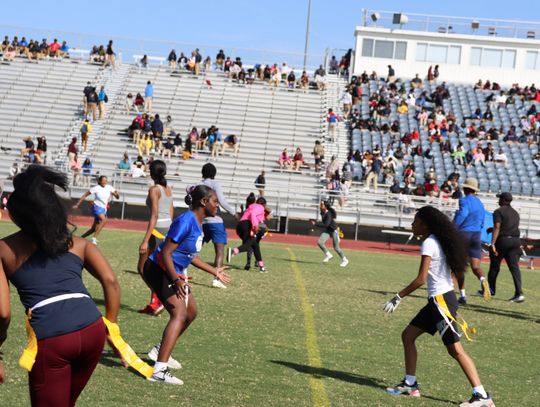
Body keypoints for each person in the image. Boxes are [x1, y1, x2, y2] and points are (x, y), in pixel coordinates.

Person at [0, 165, 121, 406]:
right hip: (92, 330)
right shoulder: (79, 244)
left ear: (16, 214)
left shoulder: (4, 249)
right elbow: (111, 281)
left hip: (52, 336)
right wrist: (111, 327)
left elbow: (3, 312)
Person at [384, 206, 495, 407]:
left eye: (415, 221)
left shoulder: (429, 243)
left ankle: (482, 396)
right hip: (438, 301)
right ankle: (410, 384)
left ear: (425, 224)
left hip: (441, 302)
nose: (412, 225)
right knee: (408, 336)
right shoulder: (440, 240)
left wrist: (397, 297)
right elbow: (454, 271)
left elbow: (420, 279)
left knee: (455, 350)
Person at [143, 185, 230, 384]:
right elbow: (165, 253)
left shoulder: (197, 223)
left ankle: (160, 350)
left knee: (190, 313)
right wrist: (176, 279)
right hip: (158, 269)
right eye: (215, 202)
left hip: (173, 271)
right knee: (179, 314)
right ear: (203, 202)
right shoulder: (186, 221)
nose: (218, 206)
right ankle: (159, 370)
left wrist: (213, 271)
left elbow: (189, 255)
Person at [138, 161, 174, 316]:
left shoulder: (154, 189)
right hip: (168, 229)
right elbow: (171, 211)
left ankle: (159, 298)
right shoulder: (168, 189)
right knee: (157, 267)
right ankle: (155, 302)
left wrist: (146, 240)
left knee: (142, 267)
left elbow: (154, 215)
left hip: (157, 229)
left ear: (152, 173)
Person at [198, 163, 237, 289]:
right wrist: (234, 213)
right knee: (219, 250)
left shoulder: (199, 185)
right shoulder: (215, 184)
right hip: (215, 221)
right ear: (214, 174)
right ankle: (216, 279)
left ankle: (178, 270)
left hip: (202, 220)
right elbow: (222, 200)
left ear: (202, 173)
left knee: (194, 248)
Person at [453, 178, 490, 304]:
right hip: (476, 235)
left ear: (465, 188)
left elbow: (463, 214)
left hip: (464, 234)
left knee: (459, 266)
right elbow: (482, 220)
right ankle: (483, 279)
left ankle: (462, 296)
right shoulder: (480, 203)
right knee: (476, 266)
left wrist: (453, 227)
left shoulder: (463, 200)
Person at [487, 193, 524, 302]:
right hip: (515, 241)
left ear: (503, 200)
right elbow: (507, 227)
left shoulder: (498, 211)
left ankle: (491, 290)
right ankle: (519, 293)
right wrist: (492, 230)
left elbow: (497, 227)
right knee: (514, 268)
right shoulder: (515, 213)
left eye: (499, 199)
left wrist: (492, 243)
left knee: (494, 265)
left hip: (503, 241)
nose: (498, 201)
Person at [73, 176, 120, 245]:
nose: (104, 182)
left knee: (93, 229)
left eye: (106, 180)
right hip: (96, 207)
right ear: (100, 181)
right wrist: (77, 204)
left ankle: (80, 238)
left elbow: (117, 197)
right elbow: (85, 195)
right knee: (104, 220)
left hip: (104, 209)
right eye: (103, 180)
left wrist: (117, 194)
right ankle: (94, 238)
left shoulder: (109, 187)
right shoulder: (96, 188)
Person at [227, 196, 269, 272]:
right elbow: (253, 214)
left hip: (240, 226)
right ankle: (234, 251)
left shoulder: (252, 206)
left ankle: (261, 266)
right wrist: (255, 226)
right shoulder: (260, 207)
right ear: (264, 205)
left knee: (254, 245)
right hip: (247, 225)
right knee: (249, 245)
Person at [312, 201, 348, 267]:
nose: (320, 205)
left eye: (322, 205)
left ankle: (345, 260)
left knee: (336, 248)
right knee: (320, 242)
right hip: (328, 230)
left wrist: (316, 224)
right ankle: (328, 255)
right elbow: (326, 224)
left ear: (326, 207)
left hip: (334, 230)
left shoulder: (328, 214)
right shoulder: (322, 212)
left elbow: (326, 224)